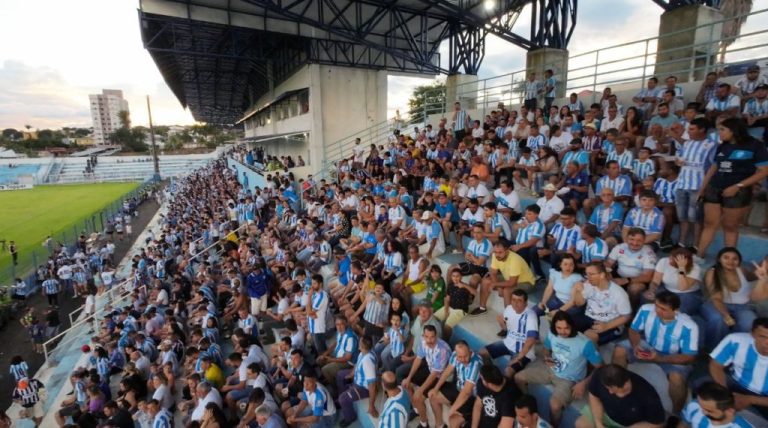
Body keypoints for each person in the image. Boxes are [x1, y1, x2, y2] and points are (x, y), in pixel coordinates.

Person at [612, 291, 699, 414]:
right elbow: (633, 330)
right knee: (620, 350)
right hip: (648, 345)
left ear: (676, 310)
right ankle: (619, 387)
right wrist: (636, 345)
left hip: (672, 355)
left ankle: (676, 412)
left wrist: (660, 359)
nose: (657, 310)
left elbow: (689, 357)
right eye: (656, 306)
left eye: (663, 309)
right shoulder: (646, 310)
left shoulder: (689, 326)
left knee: (677, 379)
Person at [515, 311, 602, 427]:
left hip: (569, 379)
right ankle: (530, 410)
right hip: (550, 369)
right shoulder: (552, 333)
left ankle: (552, 425)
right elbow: (546, 349)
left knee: (555, 405)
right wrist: (547, 357)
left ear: (572, 326)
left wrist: (583, 384)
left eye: (566, 328)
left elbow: (600, 368)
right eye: (559, 328)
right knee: (518, 377)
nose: (562, 332)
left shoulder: (584, 343)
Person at [697, 118, 768, 258]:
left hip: (738, 191)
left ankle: (729, 260)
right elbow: (714, 167)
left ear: (734, 130)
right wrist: (703, 188)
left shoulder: (755, 145)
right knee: (709, 223)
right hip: (715, 187)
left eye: (722, 130)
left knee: (730, 226)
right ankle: (699, 255)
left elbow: (764, 171)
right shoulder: (723, 145)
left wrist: (738, 186)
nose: (719, 133)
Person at [701, 248, 768, 351]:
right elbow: (716, 299)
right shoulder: (713, 272)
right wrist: (726, 315)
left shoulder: (741, 269)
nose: (730, 261)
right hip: (717, 305)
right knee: (718, 319)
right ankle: (713, 349)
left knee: (749, 322)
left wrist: (762, 271)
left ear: (739, 261)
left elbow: (753, 276)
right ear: (719, 259)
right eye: (726, 258)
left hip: (743, 307)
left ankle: (736, 350)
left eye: (735, 259)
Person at [710, 317, 768, 421]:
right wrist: (725, 394)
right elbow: (716, 365)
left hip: (763, 396)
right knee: (702, 387)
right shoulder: (735, 340)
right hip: (735, 383)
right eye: (763, 337)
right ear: (752, 334)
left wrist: (750, 399)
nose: (767, 342)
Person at [575, 364, 665, 428]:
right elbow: (594, 396)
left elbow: (657, 423)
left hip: (634, 424)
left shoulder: (647, 393)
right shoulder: (600, 374)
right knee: (581, 424)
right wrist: (598, 423)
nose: (610, 392)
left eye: (613, 389)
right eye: (608, 389)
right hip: (606, 414)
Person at [479, 289, 538, 378]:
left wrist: (519, 357)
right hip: (508, 343)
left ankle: (505, 386)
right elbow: (507, 329)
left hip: (523, 351)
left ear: (525, 303)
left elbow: (531, 339)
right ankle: (492, 375)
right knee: (482, 352)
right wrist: (501, 323)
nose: (515, 303)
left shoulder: (530, 316)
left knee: (508, 371)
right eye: (513, 300)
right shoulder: (509, 309)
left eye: (519, 301)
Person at [402, 324, 451, 428]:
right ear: (423, 335)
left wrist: (420, 390)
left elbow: (435, 374)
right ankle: (416, 410)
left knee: (418, 397)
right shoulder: (423, 341)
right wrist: (409, 377)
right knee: (406, 383)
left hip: (441, 378)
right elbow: (418, 359)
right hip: (430, 370)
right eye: (427, 337)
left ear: (436, 336)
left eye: (432, 337)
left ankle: (424, 424)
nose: (429, 340)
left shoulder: (443, 350)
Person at [572, 262, 633, 345]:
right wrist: (578, 291)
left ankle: (592, 356)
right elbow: (579, 303)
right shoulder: (588, 284)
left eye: (591, 274)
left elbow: (626, 316)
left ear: (602, 275)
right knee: (564, 322)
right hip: (589, 317)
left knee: (589, 336)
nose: (588, 278)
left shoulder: (618, 293)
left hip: (610, 324)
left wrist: (606, 326)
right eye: (586, 274)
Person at [428, 340, 483, 428]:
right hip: (458, 388)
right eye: (460, 357)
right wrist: (436, 388)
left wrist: (452, 410)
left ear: (469, 351)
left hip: (470, 398)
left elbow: (466, 392)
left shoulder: (476, 364)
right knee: (433, 396)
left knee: (453, 421)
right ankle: (439, 425)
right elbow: (446, 372)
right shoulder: (455, 355)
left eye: (465, 356)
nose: (463, 360)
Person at [471, 242, 536, 317]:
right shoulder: (496, 256)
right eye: (495, 252)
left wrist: (496, 284)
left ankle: (508, 317)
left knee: (507, 290)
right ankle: (482, 308)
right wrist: (499, 287)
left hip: (527, 283)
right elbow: (493, 273)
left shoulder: (515, 259)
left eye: (500, 252)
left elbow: (512, 283)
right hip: (508, 277)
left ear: (507, 251)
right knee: (486, 281)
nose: (497, 254)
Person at [645, 248, 703, 315]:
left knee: (676, 311)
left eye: (673, 259)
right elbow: (655, 281)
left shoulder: (695, 268)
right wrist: (652, 290)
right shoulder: (664, 261)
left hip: (688, 294)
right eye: (670, 257)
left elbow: (682, 287)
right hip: (666, 289)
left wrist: (681, 268)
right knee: (647, 298)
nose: (669, 260)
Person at [337, 337, 378, 426]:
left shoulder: (368, 362)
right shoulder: (364, 352)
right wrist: (351, 374)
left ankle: (350, 417)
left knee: (342, 399)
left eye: (360, 343)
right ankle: (344, 394)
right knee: (340, 375)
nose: (358, 344)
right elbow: (357, 364)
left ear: (362, 346)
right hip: (357, 377)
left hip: (363, 388)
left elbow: (372, 386)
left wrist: (371, 406)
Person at [682, 382, 754, 428]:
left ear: (730, 411)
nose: (702, 412)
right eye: (701, 405)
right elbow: (683, 424)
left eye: (709, 411)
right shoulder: (694, 405)